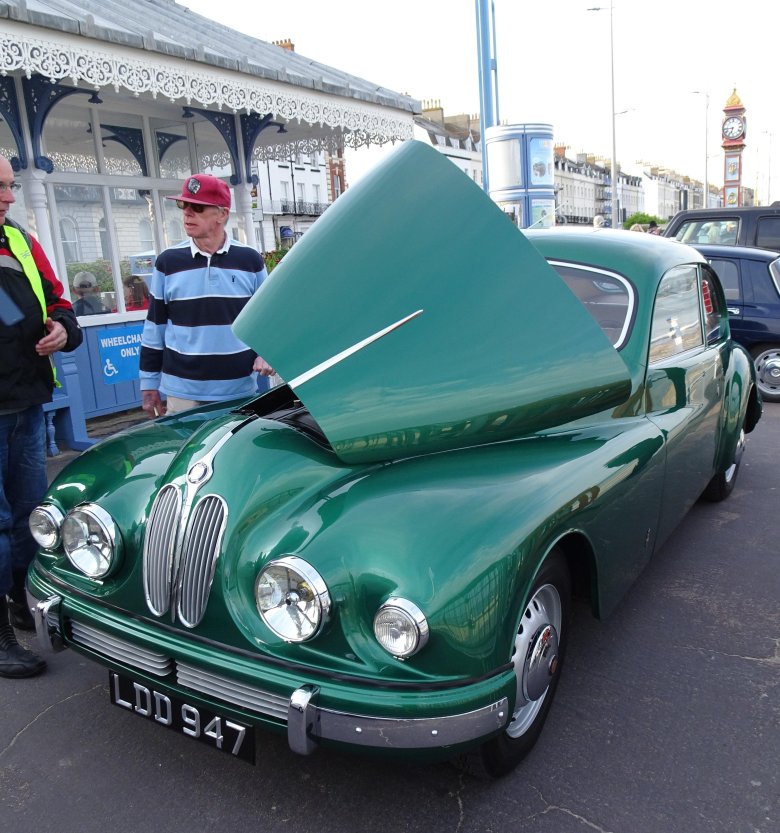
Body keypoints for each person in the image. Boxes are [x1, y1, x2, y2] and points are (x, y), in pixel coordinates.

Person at [0, 154, 83, 678]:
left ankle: (21, 601)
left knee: (31, 514)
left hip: (26, 404)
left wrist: (62, 329)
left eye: (10, 186)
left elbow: (60, 302)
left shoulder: (20, 241)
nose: (9, 197)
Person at [139, 174, 274, 418]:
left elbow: (269, 317)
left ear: (222, 214)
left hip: (238, 390)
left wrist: (268, 352)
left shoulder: (250, 260)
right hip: (182, 393)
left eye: (197, 207)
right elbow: (154, 327)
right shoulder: (168, 262)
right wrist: (149, 383)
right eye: (183, 205)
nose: (187, 213)